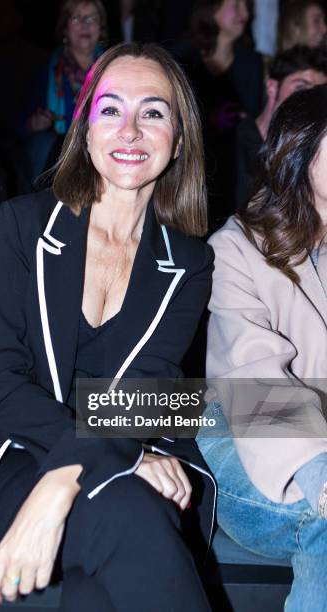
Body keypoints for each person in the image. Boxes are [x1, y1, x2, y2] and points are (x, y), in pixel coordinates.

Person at [0, 42, 215, 611]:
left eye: (153, 112)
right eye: (110, 110)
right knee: (133, 509)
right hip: (6, 458)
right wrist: (77, 463)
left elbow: (150, 391)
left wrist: (63, 481)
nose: (130, 130)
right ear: (84, 132)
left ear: (179, 140)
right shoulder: (23, 223)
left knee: (115, 544)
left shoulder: (190, 261)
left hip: (124, 453)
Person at [197, 84, 327, 612]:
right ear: (300, 156)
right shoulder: (236, 247)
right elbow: (253, 377)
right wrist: (320, 472)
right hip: (249, 439)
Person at [179, 0, 264, 227]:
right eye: (235, 5)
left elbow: (255, 119)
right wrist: (211, 122)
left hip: (238, 170)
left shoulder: (251, 62)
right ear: (210, 8)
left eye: (247, 6)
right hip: (194, 168)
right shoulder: (182, 59)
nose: (244, 14)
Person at [24, 0, 107, 181]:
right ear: (64, 28)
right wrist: (33, 123)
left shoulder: (116, 68)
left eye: (92, 18)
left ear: (101, 28)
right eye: (76, 18)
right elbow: (15, 123)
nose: (85, 24)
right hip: (57, 162)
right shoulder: (43, 69)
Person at [236, 44, 327, 209]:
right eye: (301, 88)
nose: (309, 103)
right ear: (272, 87)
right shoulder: (231, 147)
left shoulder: (315, 157)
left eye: (317, 95)